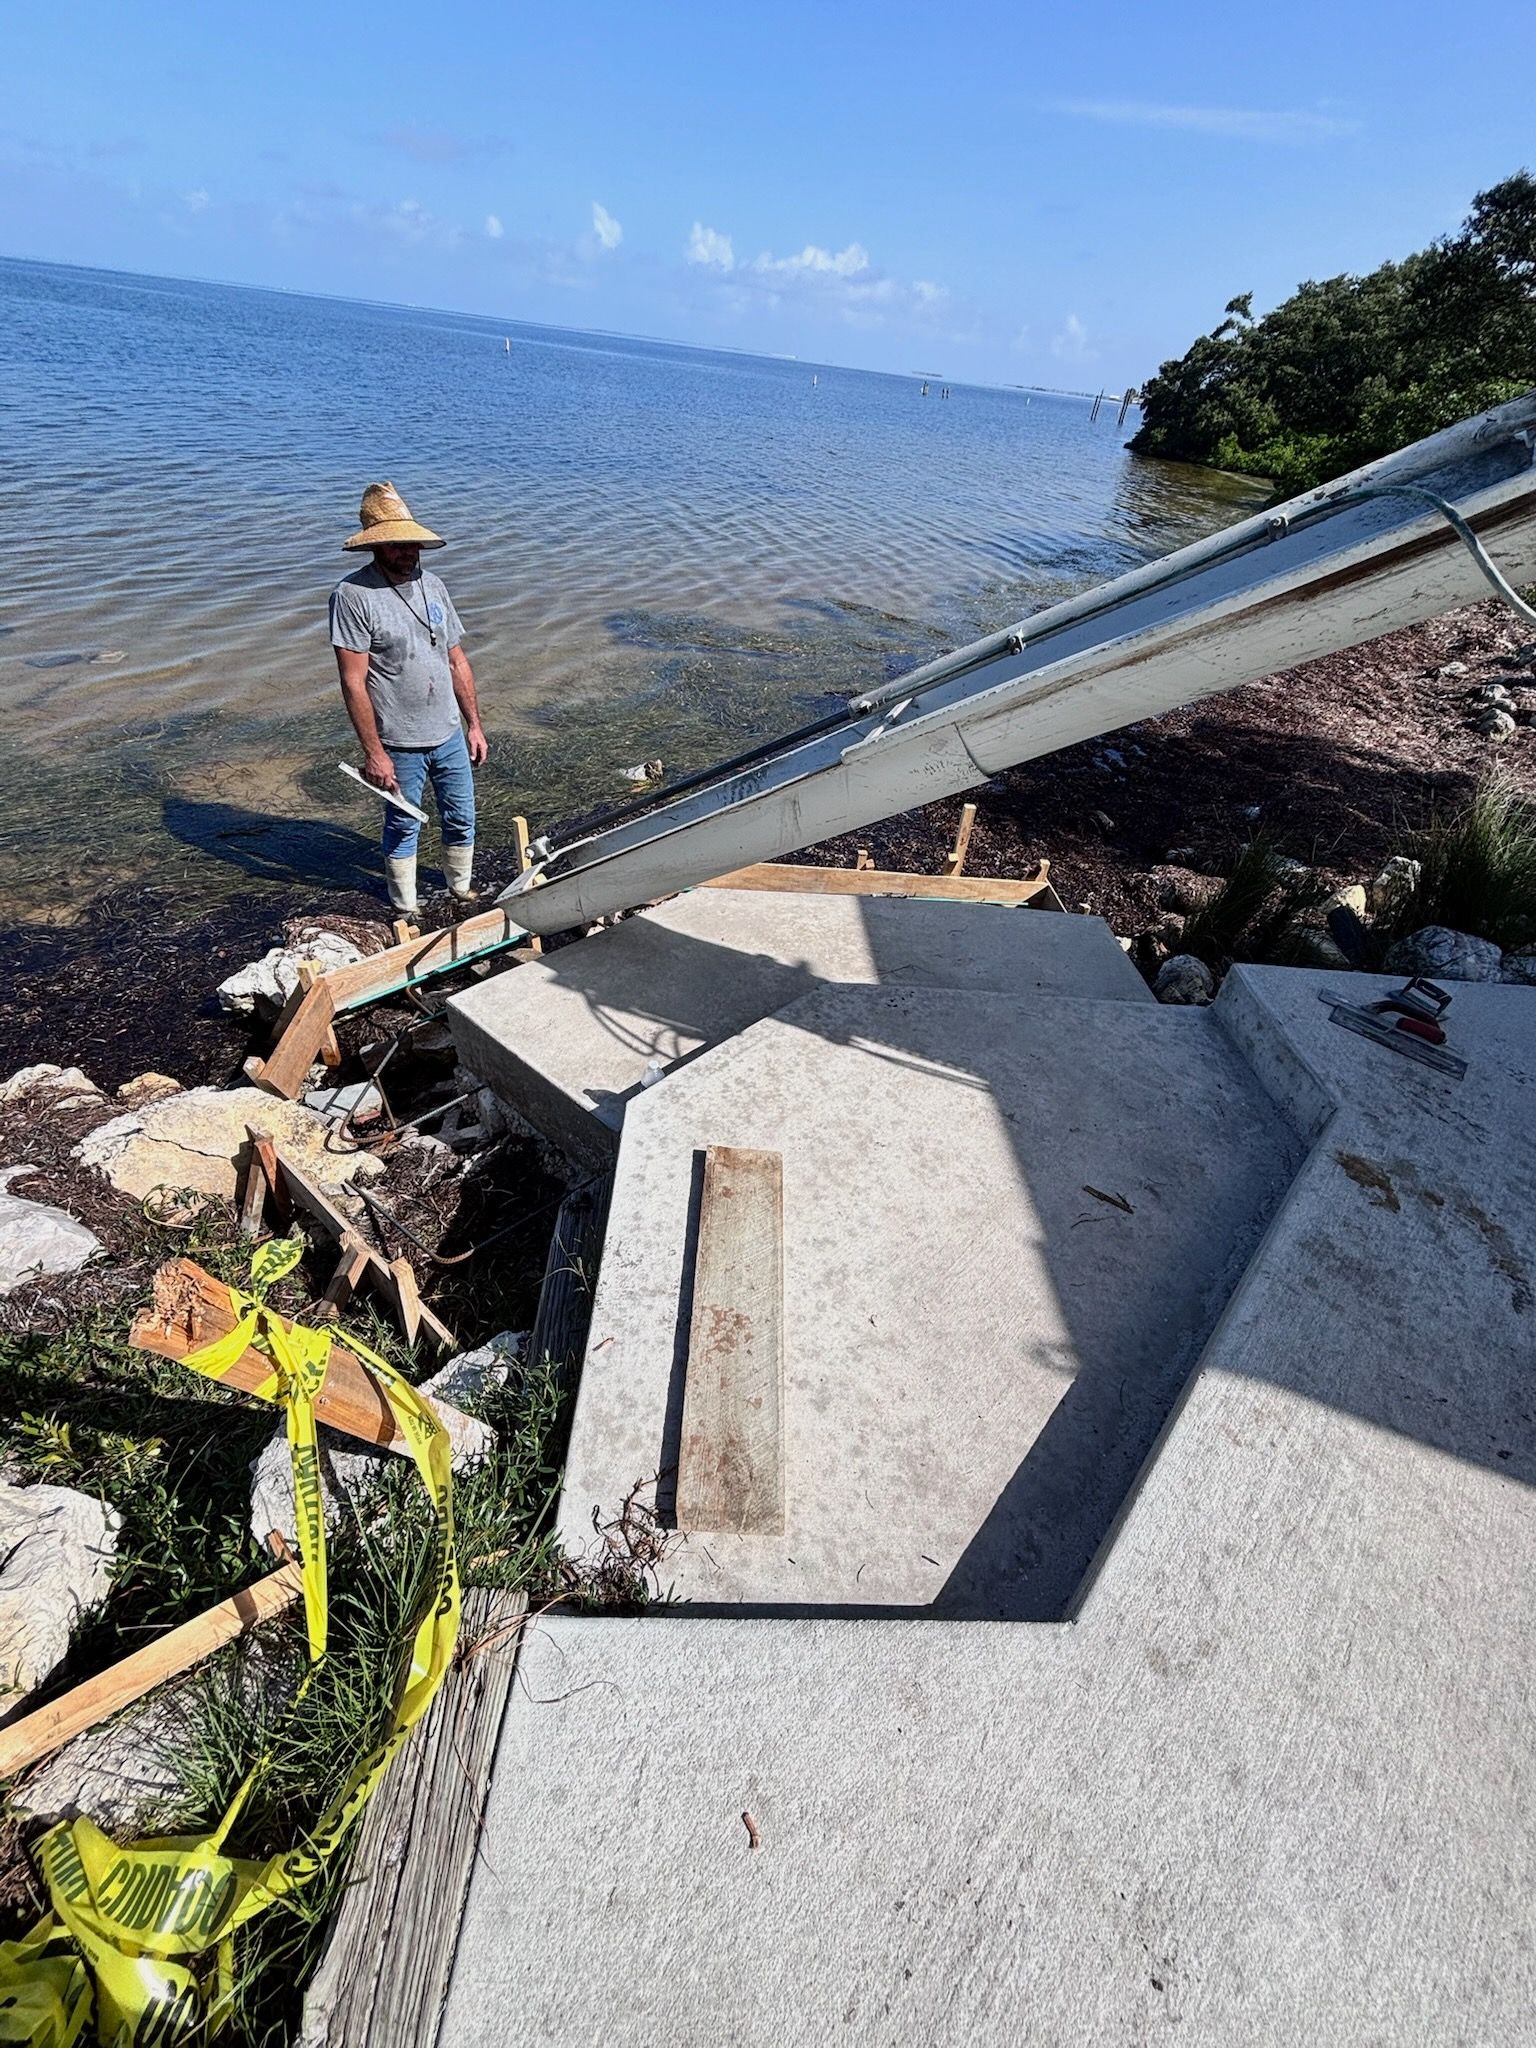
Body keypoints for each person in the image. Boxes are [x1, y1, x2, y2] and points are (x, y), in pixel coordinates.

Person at [329, 481, 489, 916]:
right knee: (403, 824)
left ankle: (461, 890)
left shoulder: (433, 586)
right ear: (376, 548)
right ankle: (406, 907)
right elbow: (353, 683)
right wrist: (374, 753)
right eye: (397, 546)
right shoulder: (353, 596)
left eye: (412, 544)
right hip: (398, 741)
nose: (408, 553)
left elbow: (456, 660)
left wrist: (474, 724)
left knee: (462, 817)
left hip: (450, 733)